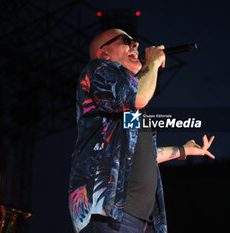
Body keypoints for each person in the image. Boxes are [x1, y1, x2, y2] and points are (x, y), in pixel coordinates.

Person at [68, 28, 215, 233]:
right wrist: (153, 62)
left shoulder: (124, 108)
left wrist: (183, 150)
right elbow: (138, 97)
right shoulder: (97, 70)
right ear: (104, 54)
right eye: (126, 40)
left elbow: (135, 154)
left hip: (141, 221)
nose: (135, 44)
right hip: (111, 217)